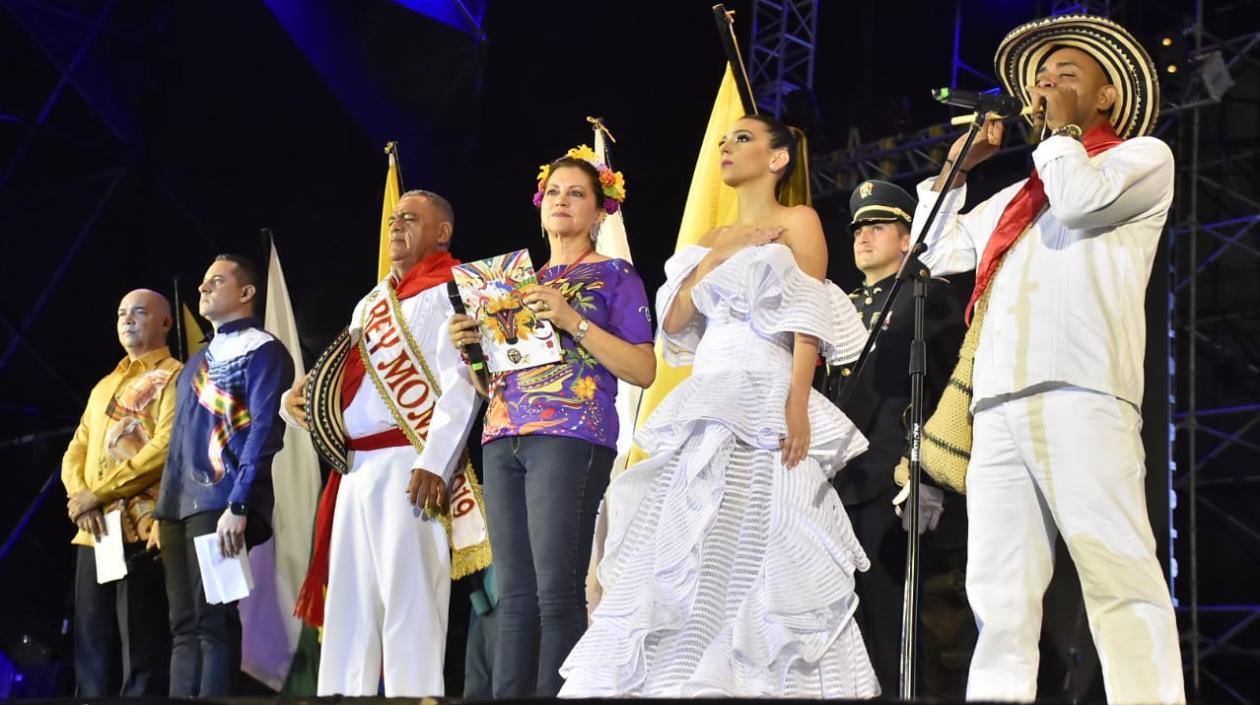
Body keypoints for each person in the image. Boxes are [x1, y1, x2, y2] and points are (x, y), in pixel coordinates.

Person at [912, 14, 1184, 703]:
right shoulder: (1017, 199)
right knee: (998, 592)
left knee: (1118, 571)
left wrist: (1061, 135)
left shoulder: (1141, 158)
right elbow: (934, 252)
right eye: (1043, 78)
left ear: (1106, 98)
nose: (1048, 84)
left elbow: (1083, 201)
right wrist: (957, 168)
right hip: (999, 400)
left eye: (1068, 76)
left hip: (1083, 388)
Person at [557, 115, 877, 698]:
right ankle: (682, 675)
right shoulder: (709, 237)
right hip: (710, 391)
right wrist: (712, 260)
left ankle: (749, 675)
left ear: (778, 159)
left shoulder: (798, 220)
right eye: (725, 141)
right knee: (687, 534)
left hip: (767, 386)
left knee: (764, 531)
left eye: (744, 139)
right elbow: (678, 323)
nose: (727, 148)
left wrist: (799, 403)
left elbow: (809, 315)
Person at [448, 145, 656, 697]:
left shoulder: (616, 276)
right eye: (555, 193)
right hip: (502, 435)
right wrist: (469, 348)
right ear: (541, 208)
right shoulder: (508, 283)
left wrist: (570, 319)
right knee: (513, 594)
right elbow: (495, 380)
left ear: (599, 212)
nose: (563, 201)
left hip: (571, 437)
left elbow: (644, 367)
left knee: (557, 591)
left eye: (578, 194)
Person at [282, 189, 481, 697]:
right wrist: (300, 403)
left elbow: (462, 384)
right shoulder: (371, 300)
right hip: (354, 467)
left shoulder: (455, 287)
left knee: (409, 593)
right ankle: (343, 695)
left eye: (411, 219)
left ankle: (413, 693)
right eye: (394, 218)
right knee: (351, 597)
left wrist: (436, 462)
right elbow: (341, 375)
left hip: (409, 459)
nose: (397, 226)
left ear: (443, 232)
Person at [818, 181, 972, 696]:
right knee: (844, 625)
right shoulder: (839, 304)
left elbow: (952, 391)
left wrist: (931, 475)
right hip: (840, 481)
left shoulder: (931, 296)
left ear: (910, 238)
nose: (863, 236)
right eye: (859, 227)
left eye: (878, 226)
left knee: (900, 625)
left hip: (898, 479)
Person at [153, 254, 293, 697]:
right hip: (178, 505)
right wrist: (163, 509)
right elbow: (177, 442)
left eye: (215, 281)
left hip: (221, 503)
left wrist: (239, 503)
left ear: (247, 292)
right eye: (202, 283)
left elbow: (264, 431)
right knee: (183, 625)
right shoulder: (195, 363)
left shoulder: (264, 350)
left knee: (212, 620)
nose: (202, 290)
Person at [61, 289, 180, 696]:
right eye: (121, 313)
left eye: (139, 312)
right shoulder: (104, 386)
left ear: (164, 322)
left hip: (139, 528)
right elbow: (77, 447)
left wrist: (101, 492)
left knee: (141, 645)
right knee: (91, 644)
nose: (127, 319)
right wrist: (81, 497)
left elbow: (165, 446)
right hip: (94, 530)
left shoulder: (175, 375)